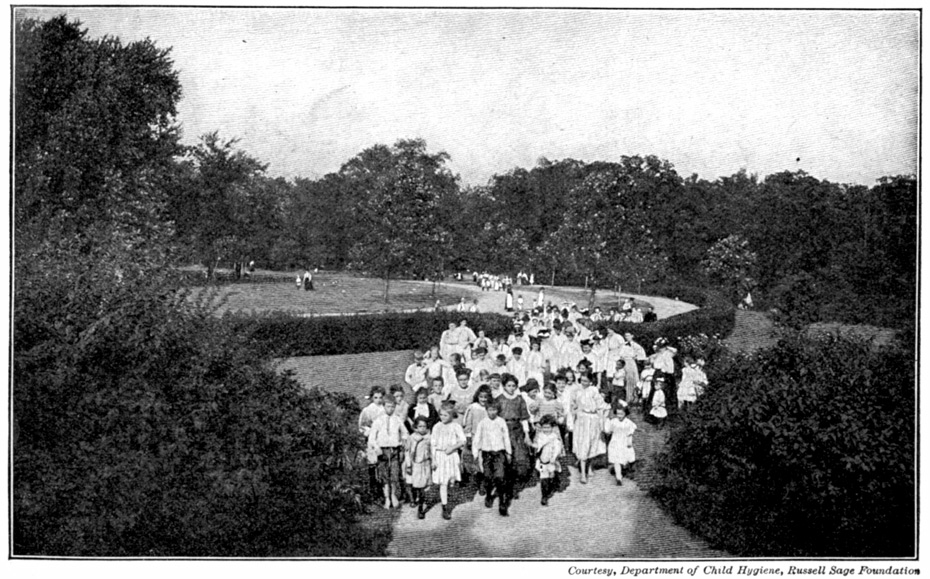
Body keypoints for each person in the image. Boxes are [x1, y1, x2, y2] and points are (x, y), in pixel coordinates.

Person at [472, 399, 512, 515]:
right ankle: (489, 495)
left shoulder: (501, 421)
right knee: (488, 477)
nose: (492, 412)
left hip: (499, 453)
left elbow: (506, 437)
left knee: (500, 477)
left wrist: (508, 452)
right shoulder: (483, 423)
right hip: (487, 453)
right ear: (486, 410)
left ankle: (502, 503)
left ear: (497, 410)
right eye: (490, 410)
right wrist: (476, 453)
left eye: (494, 410)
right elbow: (477, 439)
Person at [497, 373, 533, 499]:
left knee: (518, 459)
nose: (511, 388)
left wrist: (527, 435)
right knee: (505, 460)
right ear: (504, 386)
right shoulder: (499, 399)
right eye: (509, 386)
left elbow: (524, 418)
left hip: (517, 431)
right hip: (503, 431)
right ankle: (505, 488)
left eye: (513, 386)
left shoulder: (519, 399)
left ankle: (514, 487)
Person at [368, 398, 408, 509]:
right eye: (388, 406)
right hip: (382, 451)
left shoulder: (397, 420)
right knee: (384, 476)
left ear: (395, 407)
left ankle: (393, 495)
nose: (390, 409)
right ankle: (386, 498)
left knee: (394, 474)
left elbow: (405, 432)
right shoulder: (378, 420)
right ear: (384, 406)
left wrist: (404, 440)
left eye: (392, 407)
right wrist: (376, 447)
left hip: (394, 450)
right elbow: (372, 438)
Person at [571, 371, 609, 484]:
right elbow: (573, 405)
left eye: (586, 381)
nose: (583, 383)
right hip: (582, 420)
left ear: (591, 381)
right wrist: (574, 412)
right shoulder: (577, 391)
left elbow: (602, 406)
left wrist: (603, 417)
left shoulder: (594, 391)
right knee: (583, 444)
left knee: (592, 443)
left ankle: (589, 467)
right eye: (582, 380)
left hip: (593, 420)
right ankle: (583, 474)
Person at [431, 401, 466, 520]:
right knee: (443, 482)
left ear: (451, 415)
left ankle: (450, 498)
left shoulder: (456, 426)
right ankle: (445, 507)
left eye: (445, 415)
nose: (442, 417)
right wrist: (434, 460)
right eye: (441, 415)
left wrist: (452, 447)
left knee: (452, 480)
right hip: (440, 456)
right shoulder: (437, 426)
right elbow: (433, 444)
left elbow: (462, 440)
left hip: (451, 456)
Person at [462, 385, 491, 491]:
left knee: (487, 460)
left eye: (485, 397)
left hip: (488, 438)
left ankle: (486, 481)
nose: (483, 399)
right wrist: (468, 437)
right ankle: (479, 483)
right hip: (476, 438)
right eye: (481, 397)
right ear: (477, 397)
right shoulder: (473, 407)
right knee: (476, 460)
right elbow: (468, 423)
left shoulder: (490, 408)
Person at [405, 417, 432, 519]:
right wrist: (408, 465)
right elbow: (407, 452)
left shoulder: (429, 437)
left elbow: (432, 450)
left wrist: (433, 461)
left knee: (423, 486)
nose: (422, 429)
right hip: (415, 464)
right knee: (416, 485)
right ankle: (417, 502)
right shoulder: (412, 438)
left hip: (426, 464)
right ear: (415, 427)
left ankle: (420, 506)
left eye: (424, 426)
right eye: (420, 426)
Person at [533, 414, 564, 506]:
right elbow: (538, 447)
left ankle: (554, 482)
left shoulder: (554, 437)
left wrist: (554, 457)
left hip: (551, 461)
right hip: (543, 460)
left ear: (552, 427)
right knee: (543, 477)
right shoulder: (540, 436)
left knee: (551, 474)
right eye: (544, 427)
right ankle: (544, 496)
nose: (546, 430)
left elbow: (557, 448)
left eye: (548, 427)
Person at [604, 405, 637, 485]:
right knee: (617, 460)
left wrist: (629, 441)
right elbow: (608, 431)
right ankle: (618, 477)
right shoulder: (614, 421)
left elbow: (630, 433)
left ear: (625, 413)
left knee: (625, 458)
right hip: (615, 442)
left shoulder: (628, 422)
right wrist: (606, 422)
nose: (619, 416)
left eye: (621, 414)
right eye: (618, 414)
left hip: (625, 442)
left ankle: (628, 469)